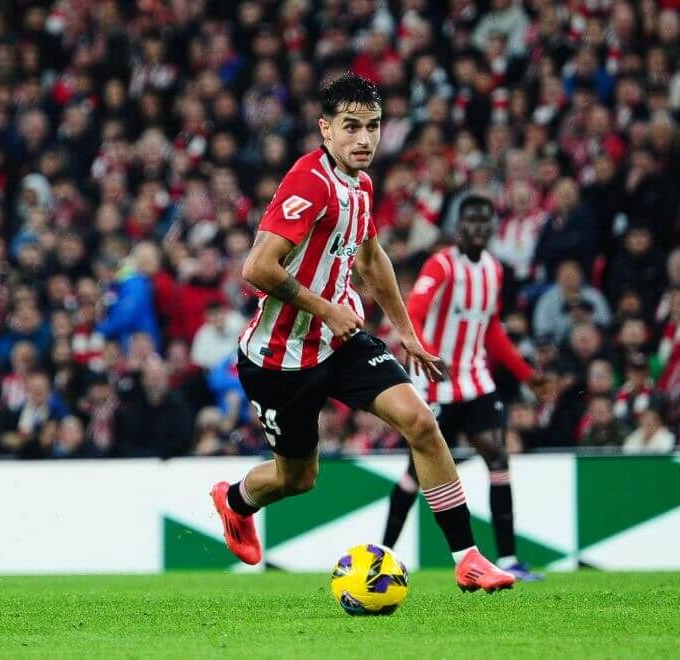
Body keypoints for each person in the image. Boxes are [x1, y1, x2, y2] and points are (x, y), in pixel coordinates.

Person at [210, 74, 514, 593]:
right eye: (351, 127)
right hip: (280, 359)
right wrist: (326, 308)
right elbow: (257, 267)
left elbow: (371, 259)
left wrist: (407, 333)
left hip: (342, 343)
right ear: (325, 130)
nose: (364, 139)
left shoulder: (362, 185)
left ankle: (467, 558)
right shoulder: (310, 182)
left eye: (372, 127)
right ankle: (235, 500)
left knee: (421, 421)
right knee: (297, 479)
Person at [380, 194, 545, 582]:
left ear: (492, 227)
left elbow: (491, 330)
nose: (477, 228)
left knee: (498, 456)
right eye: (470, 221)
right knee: (415, 473)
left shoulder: (494, 270)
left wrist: (525, 373)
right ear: (458, 227)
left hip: (475, 381)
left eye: (484, 221)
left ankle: (508, 561)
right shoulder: (440, 266)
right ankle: (383, 553)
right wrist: (424, 354)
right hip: (435, 385)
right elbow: (412, 314)